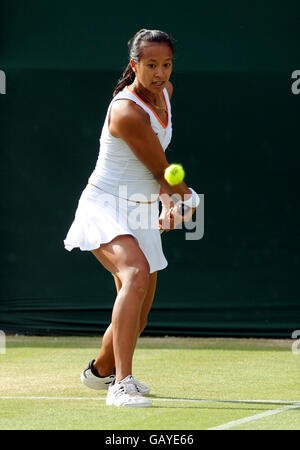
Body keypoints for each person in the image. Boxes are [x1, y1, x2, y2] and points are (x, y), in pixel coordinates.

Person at [64, 29, 199, 408]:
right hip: (105, 205)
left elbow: (157, 178)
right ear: (134, 65)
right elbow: (161, 170)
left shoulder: (166, 94)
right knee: (134, 274)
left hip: (139, 206)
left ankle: (100, 370)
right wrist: (184, 199)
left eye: (166, 64)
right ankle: (120, 384)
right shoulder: (126, 111)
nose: (159, 73)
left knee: (137, 316)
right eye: (151, 65)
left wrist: (171, 204)